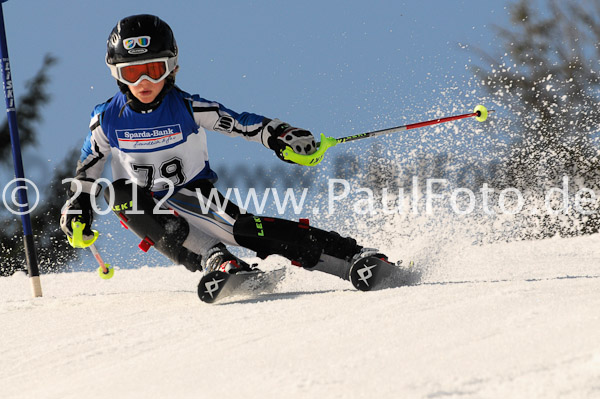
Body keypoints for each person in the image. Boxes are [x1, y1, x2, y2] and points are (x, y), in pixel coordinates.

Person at [60, 14, 389, 284]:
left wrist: (280, 135)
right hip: (150, 210)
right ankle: (216, 261)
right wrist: (77, 205)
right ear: (117, 74)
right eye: (132, 73)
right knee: (119, 192)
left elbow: (240, 122)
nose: (143, 82)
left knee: (248, 230)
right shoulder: (106, 119)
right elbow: (88, 169)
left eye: (154, 69)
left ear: (171, 68)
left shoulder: (187, 108)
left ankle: (351, 257)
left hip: (195, 195)